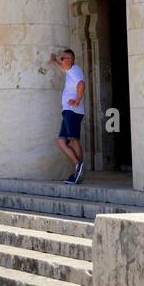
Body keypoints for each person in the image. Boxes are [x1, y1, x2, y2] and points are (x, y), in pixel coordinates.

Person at [47, 48, 85, 184]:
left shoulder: (75, 70)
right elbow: (62, 68)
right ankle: (78, 166)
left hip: (73, 111)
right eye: (61, 59)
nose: (61, 61)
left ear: (70, 60)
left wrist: (77, 100)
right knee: (61, 141)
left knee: (73, 140)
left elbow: (81, 84)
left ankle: (78, 170)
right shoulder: (69, 71)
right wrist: (54, 61)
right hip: (68, 111)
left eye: (63, 59)